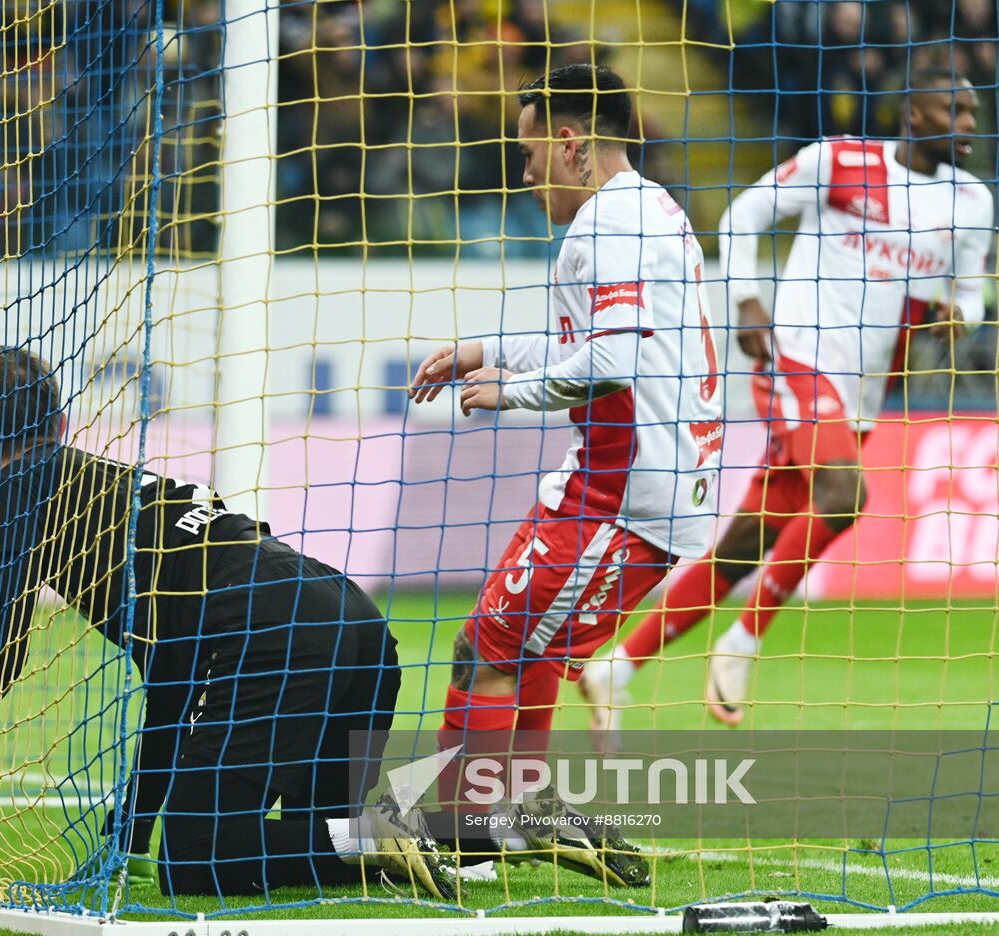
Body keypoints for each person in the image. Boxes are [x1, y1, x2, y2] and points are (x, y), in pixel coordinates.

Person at [0, 347, 458, 899]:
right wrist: (129, 837)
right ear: (61, 426)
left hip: (273, 625)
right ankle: (502, 822)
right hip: (353, 620)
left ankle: (386, 835)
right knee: (320, 838)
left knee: (196, 863)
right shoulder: (117, 494)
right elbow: (172, 687)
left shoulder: (13, 496)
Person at [580, 68, 994, 741]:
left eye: (975, 112)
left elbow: (972, 293)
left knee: (750, 540)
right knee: (845, 495)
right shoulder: (839, 161)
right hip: (796, 359)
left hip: (862, 392)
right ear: (913, 113)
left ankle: (617, 668)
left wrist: (962, 317)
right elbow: (745, 213)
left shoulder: (972, 201)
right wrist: (745, 299)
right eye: (955, 110)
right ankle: (742, 642)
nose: (971, 126)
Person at [409, 63, 724, 886]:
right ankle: (525, 803)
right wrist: (492, 350)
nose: (523, 172)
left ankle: (465, 835)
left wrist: (508, 392)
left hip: (619, 494)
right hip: (647, 483)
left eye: (528, 150)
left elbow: (612, 363)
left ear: (569, 140)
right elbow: (607, 348)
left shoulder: (604, 227)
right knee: (533, 650)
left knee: (486, 647)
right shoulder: (654, 208)